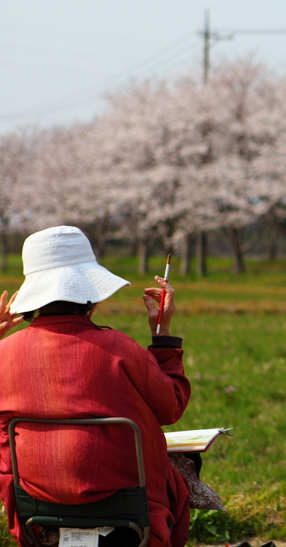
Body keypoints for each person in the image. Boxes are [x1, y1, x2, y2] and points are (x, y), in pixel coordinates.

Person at [0, 226, 191, 547]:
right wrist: (163, 333)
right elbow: (171, 407)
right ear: (89, 294)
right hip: (129, 507)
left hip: (36, 508)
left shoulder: (5, 354)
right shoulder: (120, 347)